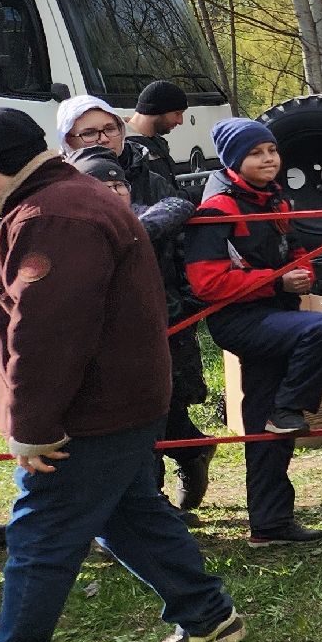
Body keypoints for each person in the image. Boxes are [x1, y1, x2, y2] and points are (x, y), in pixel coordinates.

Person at [0, 110, 246, 642]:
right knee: (128, 514)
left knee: (41, 534)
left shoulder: (54, 216)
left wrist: (32, 426)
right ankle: (208, 616)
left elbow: (48, 333)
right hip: (116, 399)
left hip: (87, 410)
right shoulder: (61, 200)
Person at [186, 118, 322, 547]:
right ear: (234, 161)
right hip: (241, 320)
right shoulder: (218, 208)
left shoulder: (275, 198)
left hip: (278, 316)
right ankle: (288, 409)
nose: (268, 159)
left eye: (272, 150)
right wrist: (277, 283)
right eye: (256, 153)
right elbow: (206, 283)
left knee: (263, 426)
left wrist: (304, 272)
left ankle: (270, 524)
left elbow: (296, 249)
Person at [68, 142, 211, 516]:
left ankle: (166, 485)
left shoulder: (147, 216)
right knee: (140, 421)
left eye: (119, 184)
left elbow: (180, 206)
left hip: (165, 333)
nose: (114, 192)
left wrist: (185, 307)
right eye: (103, 186)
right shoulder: (71, 232)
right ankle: (167, 485)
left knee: (163, 410)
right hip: (106, 345)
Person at [125, 80, 191, 184]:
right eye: (177, 113)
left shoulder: (158, 143)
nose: (180, 121)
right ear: (157, 110)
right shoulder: (124, 148)